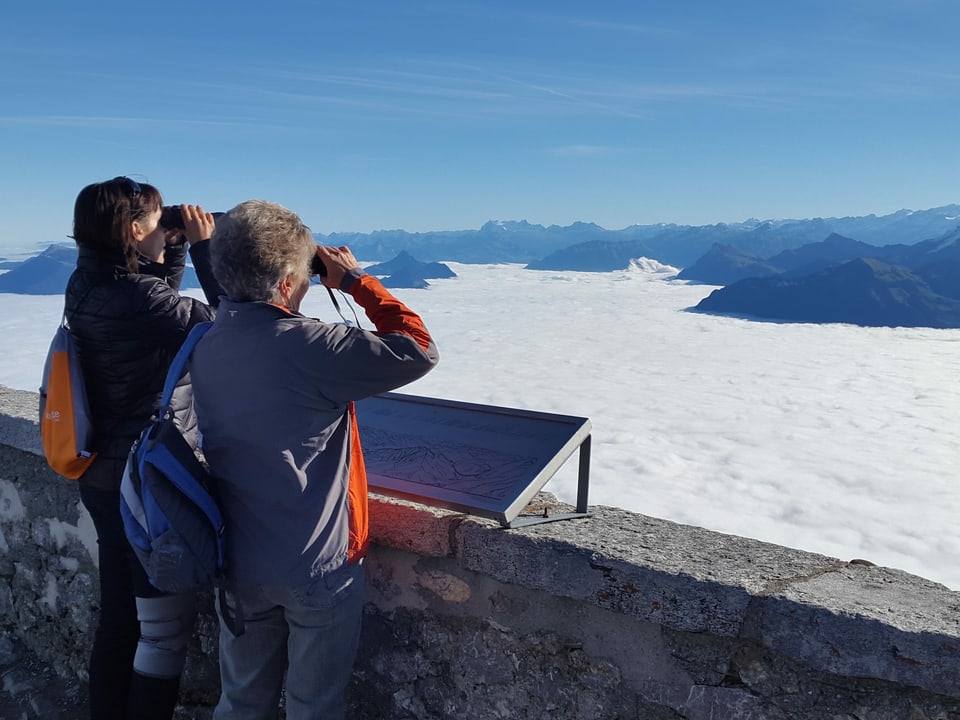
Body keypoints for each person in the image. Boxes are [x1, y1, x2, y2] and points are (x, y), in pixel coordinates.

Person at [189, 200, 439, 719]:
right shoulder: (311, 346)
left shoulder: (205, 341)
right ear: (284, 284)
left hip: (237, 563)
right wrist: (355, 282)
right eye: (301, 275)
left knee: (240, 702)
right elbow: (418, 349)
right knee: (314, 707)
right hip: (316, 567)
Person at [64, 176, 224, 720]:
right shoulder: (135, 297)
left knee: (120, 619)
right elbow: (231, 329)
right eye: (157, 221)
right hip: (143, 482)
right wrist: (203, 248)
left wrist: (170, 240)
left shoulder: (87, 282)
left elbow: (157, 304)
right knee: (160, 631)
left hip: (102, 473)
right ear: (133, 231)